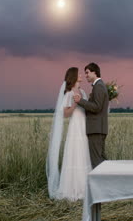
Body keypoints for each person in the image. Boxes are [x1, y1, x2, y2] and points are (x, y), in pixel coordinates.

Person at [46, 67, 92, 201]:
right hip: (75, 127)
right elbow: (65, 114)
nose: (82, 76)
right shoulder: (68, 93)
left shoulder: (83, 91)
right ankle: (73, 189)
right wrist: (74, 104)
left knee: (84, 153)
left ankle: (84, 187)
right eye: (79, 74)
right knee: (75, 153)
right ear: (74, 76)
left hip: (84, 125)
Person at [74, 63, 109, 168]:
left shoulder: (99, 86)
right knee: (102, 160)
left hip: (96, 129)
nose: (86, 75)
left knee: (96, 162)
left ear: (95, 72)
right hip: (99, 129)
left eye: (87, 72)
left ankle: (101, 184)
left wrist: (81, 101)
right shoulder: (99, 86)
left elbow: (97, 107)